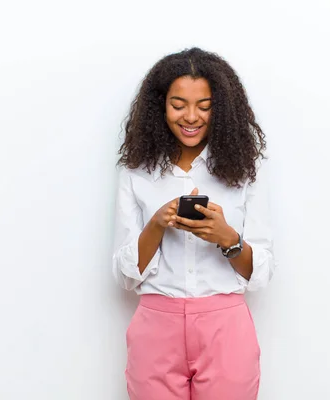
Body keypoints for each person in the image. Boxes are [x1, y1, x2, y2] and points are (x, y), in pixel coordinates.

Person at [112, 47, 276, 400]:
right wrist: (157, 224)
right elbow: (125, 275)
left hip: (225, 326)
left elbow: (261, 272)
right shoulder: (137, 171)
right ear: (160, 106)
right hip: (156, 325)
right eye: (178, 104)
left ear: (222, 108)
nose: (191, 116)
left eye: (204, 106)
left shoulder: (246, 170)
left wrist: (227, 238)